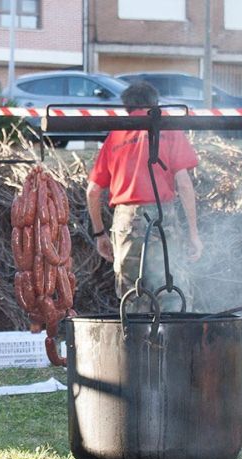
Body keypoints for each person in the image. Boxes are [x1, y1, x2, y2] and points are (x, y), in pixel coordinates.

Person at [85, 81, 203, 313]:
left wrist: (99, 234)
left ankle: (135, 348)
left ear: (127, 107)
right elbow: (184, 184)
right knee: (172, 291)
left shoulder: (117, 134)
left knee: (132, 297)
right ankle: (174, 346)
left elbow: (93, 191)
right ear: (155, 103)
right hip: (163, 216)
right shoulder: (167, 126)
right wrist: (193, 233)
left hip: (126, 220)